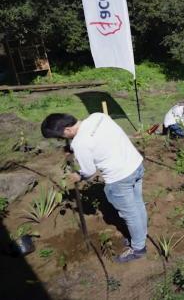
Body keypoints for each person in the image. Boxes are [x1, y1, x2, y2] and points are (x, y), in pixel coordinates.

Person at [41, 113, 147, 263]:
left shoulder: (80, 143)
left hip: (119, 178)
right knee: (137, 205)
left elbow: (89, 171)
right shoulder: (98, 117)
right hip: (135, 165)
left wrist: (78, 176)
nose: (61, 139)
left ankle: (138, 248)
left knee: (130, 214)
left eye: (60, 137)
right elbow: (98, 141)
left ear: (67, 130)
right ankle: (140, 235)